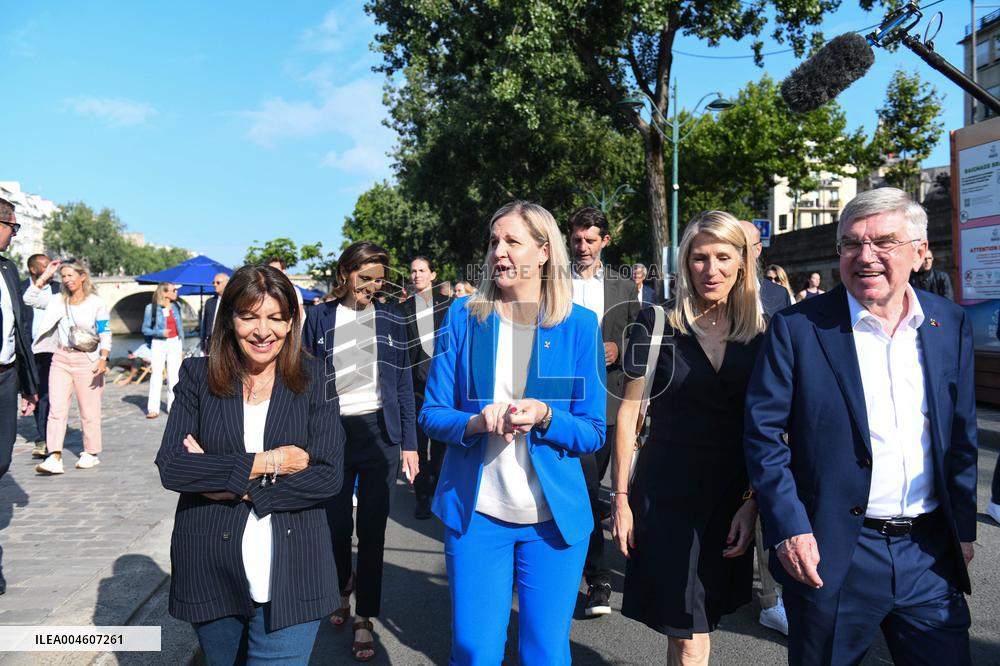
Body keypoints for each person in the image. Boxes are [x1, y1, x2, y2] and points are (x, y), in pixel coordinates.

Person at [744, 187, 977, 665]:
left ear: (918, 252)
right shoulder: (799, 327)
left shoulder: (948, 323)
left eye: (883, 242)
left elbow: (961, 434)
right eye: (851, 243)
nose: (865, 256)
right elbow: (763, 435)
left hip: (928, 552)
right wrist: (790, 528)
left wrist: (965, 524)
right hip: (833, 553)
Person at [420, 200, 606, 665]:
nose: (498, 251)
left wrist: (546, 415)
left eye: (512, 241)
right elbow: (432, 413)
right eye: (494, 241)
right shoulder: (463, 317)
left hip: (554, 523)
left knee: (545, 653)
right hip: (478, 516)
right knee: (475, 652)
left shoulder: (578, 326)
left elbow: (592, 431)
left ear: (544, 252)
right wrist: (476, 423)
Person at [155, 264, 345, 665]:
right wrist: (269, 461)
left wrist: (236, 484)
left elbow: (328, 475)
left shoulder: (316, 377)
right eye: (249, 316)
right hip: (209, 567)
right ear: (229, 319)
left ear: (292, 321)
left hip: (294, 573)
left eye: (276, 318)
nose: (263, 331)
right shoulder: (197, 376)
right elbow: (173, 466)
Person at [612, 211, 764, 664]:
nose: (710, 269)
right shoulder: (655, 324)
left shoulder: (765, 332)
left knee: (703, 617)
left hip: (731, 498)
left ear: (742, 263)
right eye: (699, 258)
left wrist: (753, 501)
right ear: (685, 263)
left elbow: (771, 427)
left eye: (723, 257)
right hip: (666, 496)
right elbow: (628, 416)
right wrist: (619, 500)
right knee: (685, 629)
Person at [302, 241, 418, 662]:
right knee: (334, 527)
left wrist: (409, 444)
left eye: (378, 277)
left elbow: (402, 383)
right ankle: (341, 585)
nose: (371, 284)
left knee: (372, 529)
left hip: (380, 434)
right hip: (331, 434)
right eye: (364, 275)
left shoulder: (391, 316)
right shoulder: (317, 318)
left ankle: (364, 617)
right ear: (346, 273)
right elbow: (304, 382)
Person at [567, 206, 640, 617]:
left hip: (609, 403)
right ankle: (596, 577)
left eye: (590, 240)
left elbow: (638, 338)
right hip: (563, 403)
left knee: (597, 490)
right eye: (577, 239)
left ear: (605, 242)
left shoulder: (622, 285)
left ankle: (596, 574)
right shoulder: (552, 283)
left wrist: (620, 350)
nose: (583, 247)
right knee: (581, 486)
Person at [737, 220, 791, 635]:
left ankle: (772, 598)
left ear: (758, 249)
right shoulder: (712, 290)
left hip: (769, 413)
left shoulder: (776, 295)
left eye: (745, 245)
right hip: (724, 412)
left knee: (764, 501)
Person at [26, 259, 111, 475]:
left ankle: (91, 453)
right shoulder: (56, 300)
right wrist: (46, 276)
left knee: (89, 410)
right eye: (63, 276)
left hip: (87, 360)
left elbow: (105, 331)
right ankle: (54, 455)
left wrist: (103, 358)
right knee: (56, 409)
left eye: (71, 275)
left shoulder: (96, 303)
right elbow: (29, 298)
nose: (67, 280)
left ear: (82, 277)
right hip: (61, 358)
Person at [0, 198, 39, 595]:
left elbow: (19, 330)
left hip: (5, 377)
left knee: (2, 457)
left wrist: (28, 383)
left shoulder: (9, 270)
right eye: (13, 226)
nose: (14, 235)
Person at [399, 255, 452, 519]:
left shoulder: (449, 306)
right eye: (413, 271)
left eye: (422, 270)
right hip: (415, 387)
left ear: (433, 274)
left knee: (442, 447)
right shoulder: (403, 308)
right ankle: (422, 496)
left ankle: (437, 486)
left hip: (443, 388)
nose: (416, 275)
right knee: (418, 446)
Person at [22, 253, 58, 459]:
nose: (49, 270)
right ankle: (43, 433)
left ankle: (44, 437)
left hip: (52, 350)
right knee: (33, 393)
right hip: (28, 350)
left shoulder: (58, 289)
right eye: (44, 267)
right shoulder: (20, 288)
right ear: (33, 269)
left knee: (47, 394)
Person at [142, 282, 185, 419]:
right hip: (159, 343)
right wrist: (161, 332)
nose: (176, 293)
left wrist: (182, 347)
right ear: (164, 292)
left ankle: (172, 407)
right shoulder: (151, 308)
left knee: (174, 376)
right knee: (156, 375)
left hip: (175, 343)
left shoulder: (176, 306)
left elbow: (181, 328)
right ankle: (153, 409)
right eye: (173, 290)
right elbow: (145, 329)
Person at [740, 221, 792, 318]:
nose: (738, 256)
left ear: (758, 250)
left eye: (745, 249)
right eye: (732, 248)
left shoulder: (779, 294)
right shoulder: (714, 292)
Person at [267, 257, 306, 324]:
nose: (272, 272)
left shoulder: (293, 290)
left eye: (276, 269)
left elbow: (299, 314)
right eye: (270, 269)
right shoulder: (264, 289)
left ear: (283, 271)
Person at [200, 272, 230, 352]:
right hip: (210, 342)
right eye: (213, 282)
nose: (214, 285)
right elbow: (205, 324)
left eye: (218, 282)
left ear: (227, 284)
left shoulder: (233, 301)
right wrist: (202, 345)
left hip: (226, 342)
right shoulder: (209, 302)